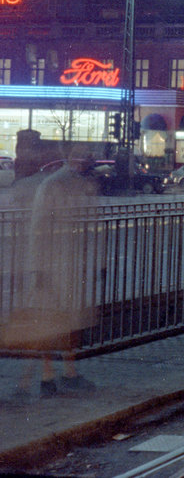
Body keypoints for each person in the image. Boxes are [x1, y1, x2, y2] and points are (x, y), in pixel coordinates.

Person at [2, 153, 97, 400]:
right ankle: (50, 377)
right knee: (49, 321)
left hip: (54, 265)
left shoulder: (52, 184)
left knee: (53, 321)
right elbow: (38, 230)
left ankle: (50, 377)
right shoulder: (52, 185)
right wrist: (39, 268)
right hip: (49, 266)